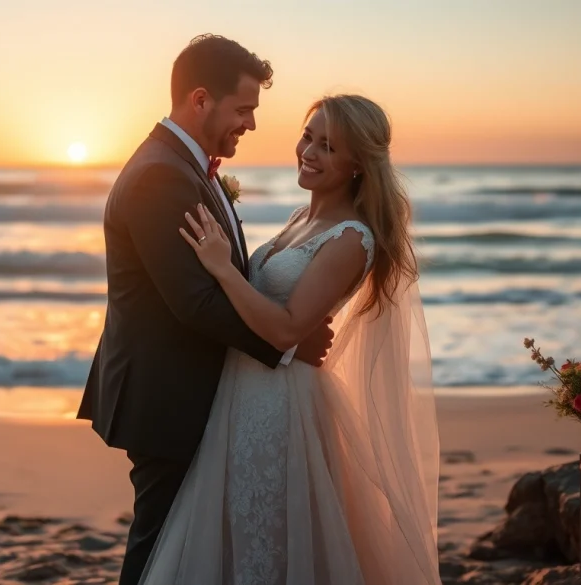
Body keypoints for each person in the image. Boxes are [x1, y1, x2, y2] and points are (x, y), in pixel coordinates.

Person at [139, 94, 442, 584]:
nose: (309, 152)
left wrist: (221, 269)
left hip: (280, 405)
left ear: (357, 164)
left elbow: (286, 328)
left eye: (328, 146)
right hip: (243, 393)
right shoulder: (303, 219)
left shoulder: (350, 239)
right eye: (308, 136)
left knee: (266, 538)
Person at [77, 34, 335, 585]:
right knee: (158, 546)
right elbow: (192, 301)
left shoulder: (183, 165)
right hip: (167, 398)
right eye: (243, 109)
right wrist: (286, 341)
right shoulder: (159, 176)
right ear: (200, 100)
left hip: (183, 391)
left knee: (181, 546)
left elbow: (220, 277)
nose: (252, 124)